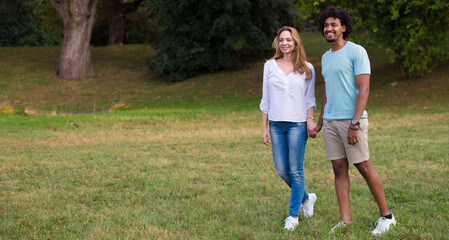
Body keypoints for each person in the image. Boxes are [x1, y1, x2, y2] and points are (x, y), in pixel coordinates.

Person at [314, 6, 396, 235]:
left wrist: (355, 123)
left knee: (363, 166)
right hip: (330, 122)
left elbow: (364, 89)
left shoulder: (356, 52)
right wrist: (321, 121)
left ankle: (387, 216)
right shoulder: (325, 57)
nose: (328, 29)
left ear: (343, 27)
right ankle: (345, 220)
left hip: (351, 121)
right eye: (325, 25)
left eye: (333, 24)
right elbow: (328, 91)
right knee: (339, 169)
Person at [260, 26, 318, 231]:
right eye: (281, 39)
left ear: (295, 42)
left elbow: (310, 99)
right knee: (282, 170)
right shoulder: (269, 66)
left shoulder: (307, 68)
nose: (285, 43)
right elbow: (265, 99)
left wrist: (310, 119)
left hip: (297, 124)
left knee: (295, 170)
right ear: (278, 43)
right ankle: (305, 198)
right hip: (276, 124)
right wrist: (264, 127)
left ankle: (293, 216)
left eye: (289, 39)